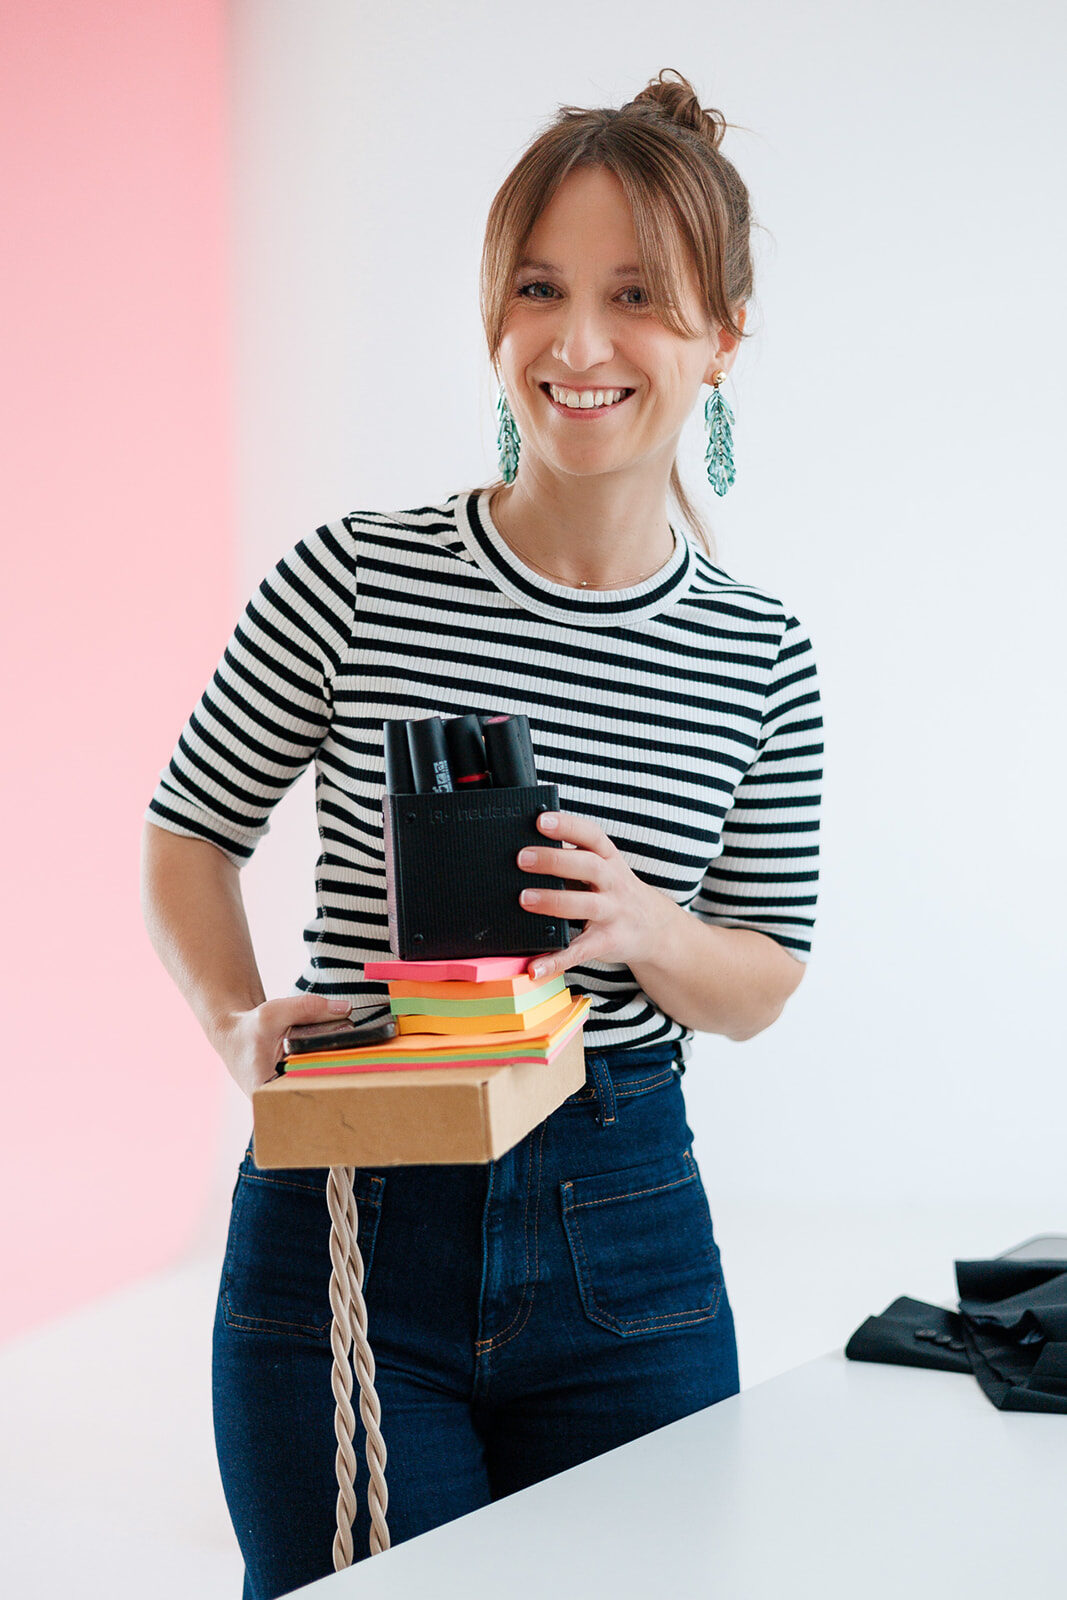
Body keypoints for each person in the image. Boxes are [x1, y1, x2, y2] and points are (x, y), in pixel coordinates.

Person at [141, 67, 823, 1600]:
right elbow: (189, 832)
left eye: (639, 295)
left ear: (720, 340)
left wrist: (649, 929)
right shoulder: (351, 581)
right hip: (345, 1219)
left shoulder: (759, 653)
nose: (578, 345)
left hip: (625, 1231)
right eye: (540, 288)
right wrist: (237, 1021)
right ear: (493, 318)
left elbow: (768, 974)